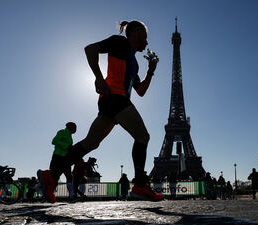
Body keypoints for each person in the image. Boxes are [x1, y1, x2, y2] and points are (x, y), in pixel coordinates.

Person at [39, 20, 164, 203]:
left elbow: (141, 91)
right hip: (115, 98)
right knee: (142, 135)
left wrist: (151, 72)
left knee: (90, 143)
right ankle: (139, 185)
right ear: (135, 33)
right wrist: (98, 78)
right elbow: (90, 49)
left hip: (110, 102)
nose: (146, 42)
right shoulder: (120, 42)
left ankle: (51, 176)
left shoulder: (134, 63)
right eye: (144, 37)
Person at [37, 122, 77, 203]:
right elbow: (54, 141)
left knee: (69, 176)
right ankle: (36, 188)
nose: (76, 129)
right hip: (58, 157)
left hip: (66, 158)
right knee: (53, 177)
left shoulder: (70, 136)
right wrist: (66, 145)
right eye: (74, 127)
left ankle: (72, 196)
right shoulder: (61, 132)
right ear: (69, 126)